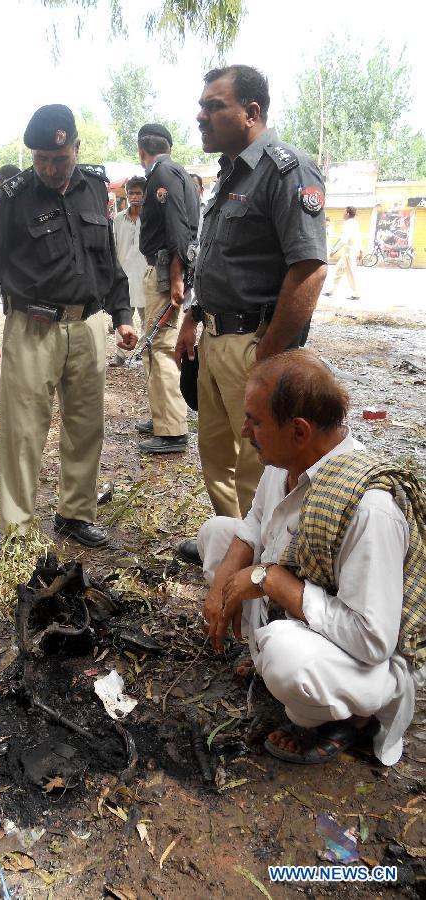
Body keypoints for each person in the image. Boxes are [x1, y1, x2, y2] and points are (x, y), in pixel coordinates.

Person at [200, 350, 425, 766]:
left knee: (286, 655)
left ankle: (352, 719)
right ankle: (263, 655)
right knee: (217, 535)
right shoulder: (284, 461)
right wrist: (222, 588)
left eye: (256, 421)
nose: (246, 429)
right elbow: (253, 525)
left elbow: (374, 641)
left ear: (299, 431)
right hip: (306, 620)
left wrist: (273, 581)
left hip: (366, 662)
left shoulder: (369, 509)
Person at [0, 104, 137, 547]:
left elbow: (107, 260)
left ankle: (75, 513)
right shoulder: (13, 195)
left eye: (58, 159)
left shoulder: (94, 187)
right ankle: (18, 530)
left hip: (88, 327)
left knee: (85, 424)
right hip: (32, 326)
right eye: (40, 158)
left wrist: (121, 315)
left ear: (76, 148)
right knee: (23, 430)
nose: (48, 167)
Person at [175, 65, 327, 564]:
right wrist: (192, 317)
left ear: (252, 112)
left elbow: (308, 269)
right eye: (202, 105)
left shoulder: (287, 170)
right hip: (215, 338)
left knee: (259, 462)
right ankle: (228, 544)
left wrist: (271, 352)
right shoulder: (227, 174)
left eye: (214, 106)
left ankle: (266, 564)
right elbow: (214, 256)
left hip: (253, 344)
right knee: (215, 454)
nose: (201, 116)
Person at [137, 123, 199, 454]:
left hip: (165, 272)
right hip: (166, 270)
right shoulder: (176, 171)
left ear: (141, 152)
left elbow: (177, 228)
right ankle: (163, 416)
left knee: (160, 347)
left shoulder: (162, 174)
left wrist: (176, 276)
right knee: (154, 347)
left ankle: (173, 429)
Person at [110, 175, 148, 368]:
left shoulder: (150, 218)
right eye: (131, 193)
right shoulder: (118, 219)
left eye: (138, 193)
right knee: (122, 315)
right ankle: (121, 354)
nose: (134, 197)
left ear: (144, 194)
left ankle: (142, 352)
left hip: (145, 274)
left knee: (146, 317)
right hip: (123, 274)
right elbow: (114, 247)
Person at [323, 206, 361, 300]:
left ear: (347, 214)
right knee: (338, 271)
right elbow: (358, 238)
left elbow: (344, 240)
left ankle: (356, 294)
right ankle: (330, 291)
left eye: (344, 212)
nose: (343, 214)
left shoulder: (348, 224)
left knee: (351, 273)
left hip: (349, 252)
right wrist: (361, 251)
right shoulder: (355, 223)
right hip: (349, 252)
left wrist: (334, 250)